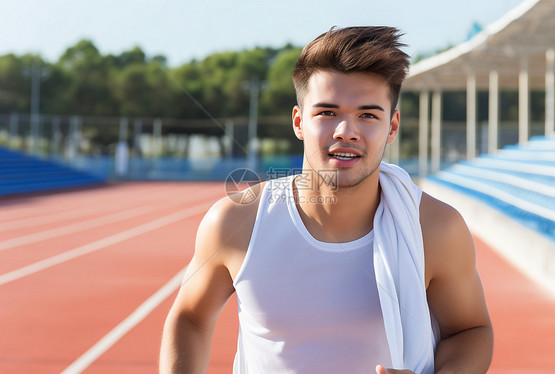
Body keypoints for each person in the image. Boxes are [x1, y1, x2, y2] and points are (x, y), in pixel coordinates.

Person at [160, 26, 493, 374]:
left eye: (367, 115)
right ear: (299, 121)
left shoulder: (436, 228)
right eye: (327, 113)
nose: (346, 131)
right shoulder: (236, 222)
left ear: (392, 127)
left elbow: (469, 330)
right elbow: (189, 318)